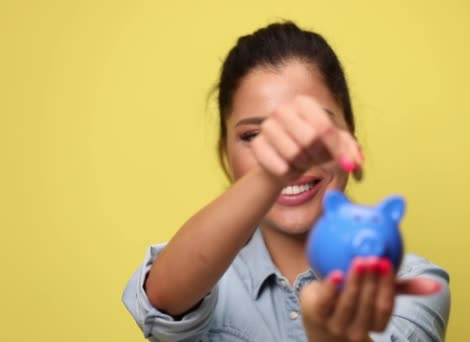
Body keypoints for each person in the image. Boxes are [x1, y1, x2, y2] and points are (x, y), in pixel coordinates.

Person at [122, 21, 450, 342]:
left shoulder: (412, 282)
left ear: (349, 135)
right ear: (225, 154)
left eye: (311, 127)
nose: (293, 151)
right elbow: (161, 302)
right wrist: (273, 169)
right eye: (254, 135)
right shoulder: (206, 280)